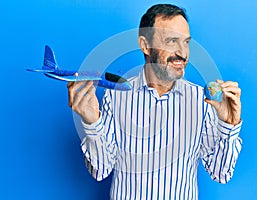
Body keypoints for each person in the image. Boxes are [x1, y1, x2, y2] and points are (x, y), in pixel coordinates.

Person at [67, 4, 242, 200]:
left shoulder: (201, 101)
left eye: (186, 42)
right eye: (172, 41)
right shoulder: (116, 95)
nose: (183, 53)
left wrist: (229, 125)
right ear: (144, 45)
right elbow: (100, 170)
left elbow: (221, 173)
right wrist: (92, 123)